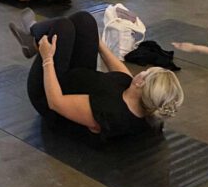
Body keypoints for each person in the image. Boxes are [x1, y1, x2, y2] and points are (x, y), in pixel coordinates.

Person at [9, 8, 184, 138]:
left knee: (63, 27)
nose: (141, 72)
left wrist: (47, 58)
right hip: (78, 78)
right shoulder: (139, 97)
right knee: (85, 21)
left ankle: (33, 39)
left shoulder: (110, 112)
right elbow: (122, 75)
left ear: (140, 83)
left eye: (145, 72)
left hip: (49, 94)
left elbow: (56, 103)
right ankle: (33, 37)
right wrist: (99, 44)